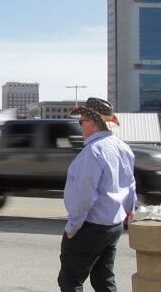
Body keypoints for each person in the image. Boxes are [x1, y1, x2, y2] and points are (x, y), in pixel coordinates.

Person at [57, 97, 136, 292]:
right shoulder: (123, 147)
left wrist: (73, 227)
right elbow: (130, 184)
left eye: (81, 121)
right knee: (103, 279)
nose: (80, 126)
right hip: (113, 225)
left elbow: (84, 197)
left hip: (90, 227)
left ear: (92, 123)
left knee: (70, 280)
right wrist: (129, 210)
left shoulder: (93, 152)